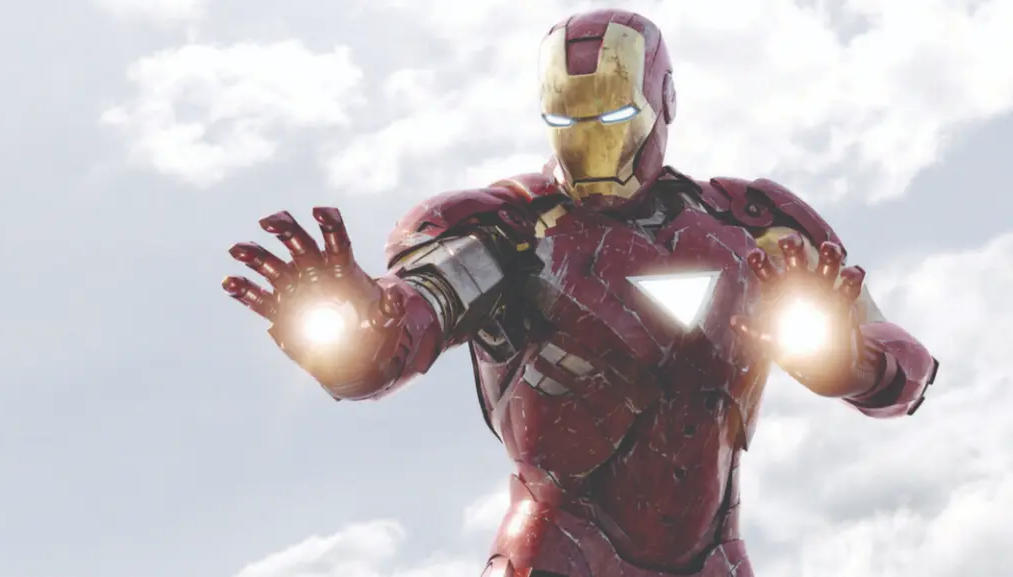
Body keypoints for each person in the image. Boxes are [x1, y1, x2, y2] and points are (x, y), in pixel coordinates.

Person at [221, 9, 938, 577]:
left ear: (660, 102)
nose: (591, 144)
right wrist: (356, 325)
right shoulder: (510, 232)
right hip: (557, 550)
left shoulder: (750, 228)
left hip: (712, 555)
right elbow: (406, 325)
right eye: (569, 121)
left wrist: (854, 360)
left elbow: (902, 365)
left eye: (612, 119)